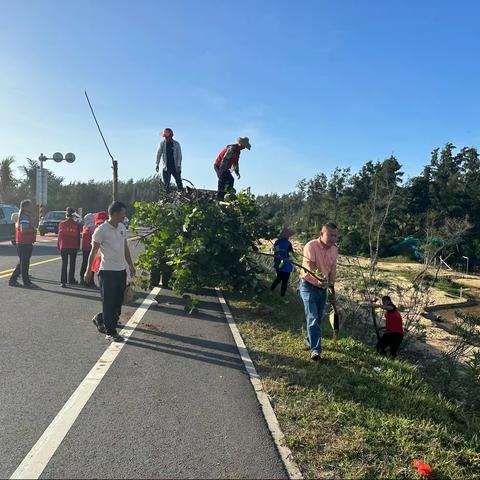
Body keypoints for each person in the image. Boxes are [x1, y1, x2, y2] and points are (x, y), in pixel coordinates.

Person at [84, 202, 136, 342]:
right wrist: (88, 270)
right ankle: (111, 332)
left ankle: (101, 318)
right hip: (107, 272)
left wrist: (131, 265)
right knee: (109, 302)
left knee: (118, 302)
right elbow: (93, 251)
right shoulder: (101, 230)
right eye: (123, 213)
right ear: (115, 213)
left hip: (120, 271)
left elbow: (125, 248)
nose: (125, 216)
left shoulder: (122, 227)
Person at [299, 223, 338, 361]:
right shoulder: (311, 246)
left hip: (323, 289)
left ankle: (310, 340)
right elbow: (310, 265)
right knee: (313, 318)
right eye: (330, 235)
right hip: (308, 286)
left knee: (318, 318)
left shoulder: (334, 250)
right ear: (321, 234)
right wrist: (318, 279)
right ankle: (316, 350)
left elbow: (332, 269)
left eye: (335, 235)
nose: (333, 238)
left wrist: (331, 286)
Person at [9, 199, 37, 288]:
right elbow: (23, 230)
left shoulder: (22, 216)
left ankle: (13, 280)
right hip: (24, 242)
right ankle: (26, 282)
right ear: (25, 207)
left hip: (23, 242)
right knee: (24, 263)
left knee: (22, 263)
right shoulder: (24, 217)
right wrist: (34, 230)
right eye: (30, 205)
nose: (31, 207)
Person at [57, 207, 81, 288]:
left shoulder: (61, 224)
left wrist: (58, 245)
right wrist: (78, 246)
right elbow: (78, 236)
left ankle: (63, 281)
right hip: (73, 246)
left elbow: (59, 236)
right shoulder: (76, 225)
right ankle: (71, 279)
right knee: (72, 264)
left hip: (63, 246)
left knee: (64, 264)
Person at [155, 127, 183, 193]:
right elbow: (158, 154)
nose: (166, 138)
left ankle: (181, 193)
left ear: (171, 136)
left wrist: (178, 165)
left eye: (167, 137)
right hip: (166, 167)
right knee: (166, 184)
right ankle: (167, 198)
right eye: (165, 137)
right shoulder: (162, 144)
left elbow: (180, 156)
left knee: (178, 181)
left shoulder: (176, 144)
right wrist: (157, 164)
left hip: (175, 167)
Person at [270, 227, 295, 297]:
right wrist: (293, 265)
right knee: (285, 281)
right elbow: (290, 255)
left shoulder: (277, 242)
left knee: (278, 278)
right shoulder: (288, 244)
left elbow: (275, 252)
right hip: (286, 265)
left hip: (278, 264)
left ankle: (271, 290)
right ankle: (282, 296)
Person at [79, 213, 95, 287]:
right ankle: (90, 280)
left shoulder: (85, 227)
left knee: (85, 264)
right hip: (91, 248)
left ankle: (84, 280)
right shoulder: (92, 227)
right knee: (91, 264)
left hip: (85, 248)